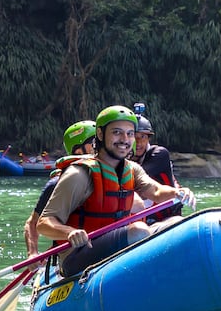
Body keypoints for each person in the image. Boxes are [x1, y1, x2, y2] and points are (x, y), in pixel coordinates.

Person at [37, 105, 193, 277]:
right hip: (77, 254)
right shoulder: (79, 174)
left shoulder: (131, 169)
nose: (125, 139)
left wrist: (177, 193)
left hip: (114, 243)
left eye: (130, 133)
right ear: (100, 134)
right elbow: (44, 223)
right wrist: (69, 232)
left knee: (175, 222)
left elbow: (155, 190)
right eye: (117, 132)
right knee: (139, 231)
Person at [24, 119, 97, 255]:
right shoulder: (57, 183)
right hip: (75, 254)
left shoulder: (115, 175)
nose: (99, 147)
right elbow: (33, 223)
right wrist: (32, 253)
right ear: (78, 150)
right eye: (93, 143)